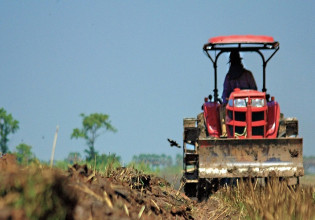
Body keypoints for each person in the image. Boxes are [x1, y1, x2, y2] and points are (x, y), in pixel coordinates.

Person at [220, 51, 257, 137]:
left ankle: (257, 131)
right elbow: (225, 91)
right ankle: (225, 132)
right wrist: (225, 100)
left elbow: (254, 90)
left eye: (236, 61)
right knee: (222, 109)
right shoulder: (229, 77)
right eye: (233, 61)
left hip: (249, 104)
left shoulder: (247, 75)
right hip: (232, 105)